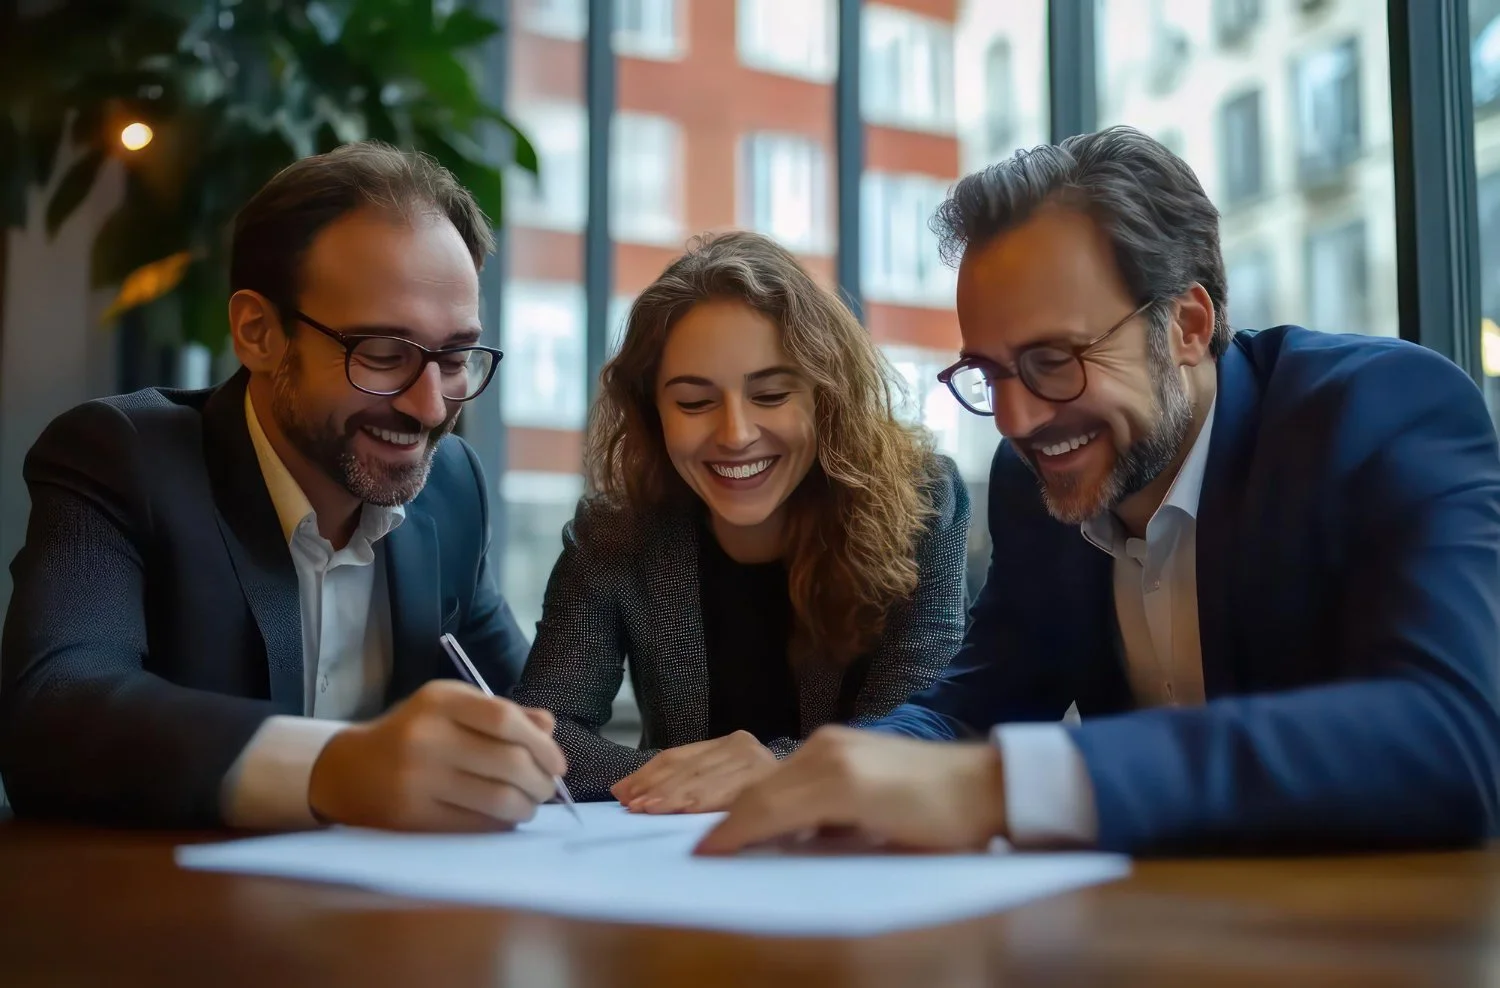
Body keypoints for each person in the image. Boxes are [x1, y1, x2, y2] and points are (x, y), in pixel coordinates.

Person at [695, 126, 1500, 858]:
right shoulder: (1033, 482)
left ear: (1186, 326)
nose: (1015, 419)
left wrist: (1008, 786)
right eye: (990, 374)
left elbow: (1458, 737)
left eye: (1054, 361)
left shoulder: (1379, 413)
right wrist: (815, 768)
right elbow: (981, 700)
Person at [0, 142, 566, 831]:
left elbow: (537, 719)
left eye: (453, 358)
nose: (428, 407)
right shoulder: (122, 459)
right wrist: (337, 766)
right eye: (382, 354)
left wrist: (678, 766)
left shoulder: (451, 488)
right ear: (258, 333)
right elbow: (51, 716)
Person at [512, 231, 970, 812]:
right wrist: (701, 777)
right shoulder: (616, 531)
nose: (735, 434)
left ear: (825, 396)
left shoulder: (922, 501)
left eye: (771, 395)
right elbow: (545, 734)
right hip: (672, 850)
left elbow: (922, 729)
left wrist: (776, 770)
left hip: (855, 849)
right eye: (694, 403)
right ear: (654, 413)